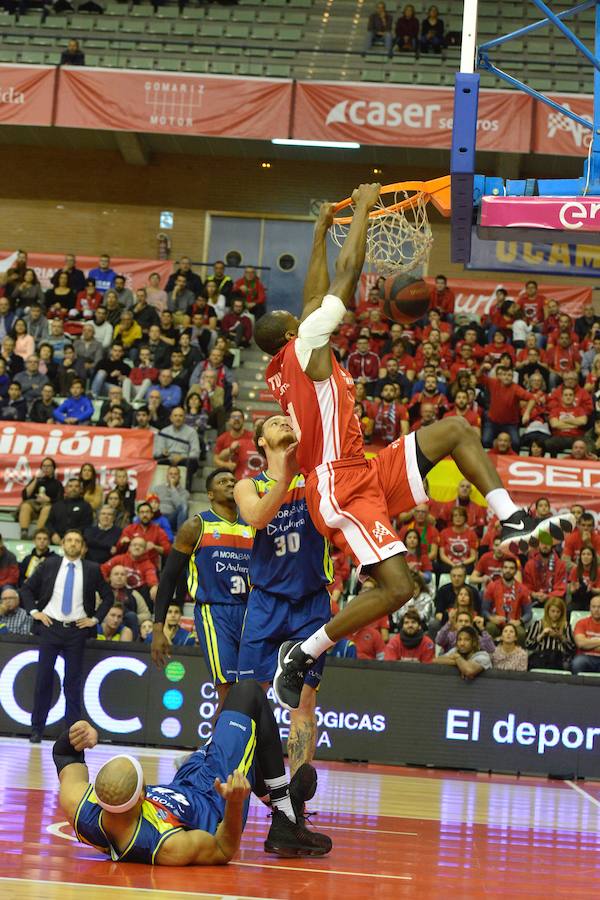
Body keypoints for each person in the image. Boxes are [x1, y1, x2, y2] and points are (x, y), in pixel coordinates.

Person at [254, 187, 572, 710]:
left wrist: (318, 233)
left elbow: (313, 295)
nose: (310, 309)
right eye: (303, 315)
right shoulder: (306, 344)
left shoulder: (294, 357)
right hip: (338, 486)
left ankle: (510, 516)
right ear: (294, 330)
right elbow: (345, 277)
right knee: (399, 588)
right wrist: (361, 208)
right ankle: (304, 653)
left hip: (365, 469)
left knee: (452, 429)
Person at [54, 683, 331, 865]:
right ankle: (285, 815)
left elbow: (65, 755)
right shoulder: (165, 845)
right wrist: (234, 803)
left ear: (96, 794)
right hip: (217, 800)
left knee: (245, 729)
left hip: (186, 781)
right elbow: (223, 849)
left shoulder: (81, 807)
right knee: (247, 694)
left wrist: (75, 735)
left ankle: (283, 803)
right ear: (141, 796)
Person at [234, 414, 332, 775]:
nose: (285, 423)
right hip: (266, 602)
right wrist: (287, 474)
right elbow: (258, 518)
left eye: (288, 420)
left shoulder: (317, 479)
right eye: (275, 422)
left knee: (304, 702)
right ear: (261, 441)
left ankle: (297, 800)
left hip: (311, 602)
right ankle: (239, 785)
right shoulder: (248, 486)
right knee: (248, 697)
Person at [151, 469, 253, 708]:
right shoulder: (196, 526)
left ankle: (238, 744)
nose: (230, 483)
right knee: (227, 691)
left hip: (250, 612)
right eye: (222, 481)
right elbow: (168, 578)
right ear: (209, 493)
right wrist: (158, 628)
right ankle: (221, 746)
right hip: (214, 613)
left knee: (250, 691)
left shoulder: (253, 526)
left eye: (233, 480)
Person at [20, 529, 114, 742]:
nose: (73, 544)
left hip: (76, 630)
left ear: (83, 547)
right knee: (43, 679)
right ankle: (37, 729)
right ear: (62, 543)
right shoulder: (50, 565)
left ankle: (71, 734)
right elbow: (26, 589)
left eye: (77, 541)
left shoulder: (92, 569)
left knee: (72, 683)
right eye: (69, 540)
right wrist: (35, 613)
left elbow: (108, 596)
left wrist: (95, 619)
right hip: (51, 627)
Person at [482, 557, 532, 643]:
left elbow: (528, 613)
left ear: (516, 571)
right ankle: (488, 654)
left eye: (511, 568)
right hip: (496, 623)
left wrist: (519, 621)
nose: (508, 570)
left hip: (514, 623)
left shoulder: (523, 589)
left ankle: (519, 656)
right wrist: (491, 618)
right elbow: (484, 610)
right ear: (501, 569)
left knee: (520, 633)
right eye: (505, 567)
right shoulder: (492, 586)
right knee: (490, 628)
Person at [154, 406, 201, 491]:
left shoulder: (191, 432)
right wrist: (162, 452)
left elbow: (196, 452)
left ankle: (186, 492)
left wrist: (182, 457)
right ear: (171, 418)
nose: (178, 418)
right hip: (168, 458)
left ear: (184, 418)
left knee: (191, 462)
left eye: (180, 416)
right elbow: (156, 452)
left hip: (185, 459)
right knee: (156, 461)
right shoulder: (164, 432)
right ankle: (158, 491)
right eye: (175, 416)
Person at [101, 536, 159, 602]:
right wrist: (107, 580)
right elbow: (102, 569)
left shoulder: (148, 565)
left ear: (145, 550)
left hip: (136, 595)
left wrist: (154, 586)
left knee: (149, 589)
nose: (137, 547)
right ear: (129, 548)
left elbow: (152, 578)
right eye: (134, 545)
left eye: (141, 546)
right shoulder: (119, 559)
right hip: (116, 590)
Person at [118, 501, 171, 571]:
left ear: (152, 514)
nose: (145, 515)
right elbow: (118, 548)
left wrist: (155, 547)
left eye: (147, 512)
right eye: (142, 512)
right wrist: (122, 542)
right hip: (130, 566)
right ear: (138, 515)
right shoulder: (129, 529)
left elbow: (168, 550)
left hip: (150, 567)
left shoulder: (158, 530)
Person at [18, 457, 64, 538]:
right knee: (25, 506)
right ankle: (24, 533)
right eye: (44, 466)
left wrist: (48, 499)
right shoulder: (36, 481)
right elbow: (25, 496)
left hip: (47, 507)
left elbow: (60, 501)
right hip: (34, 506)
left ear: (53, 469)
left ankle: (36, 534)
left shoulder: (57, 483)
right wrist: (36, 479)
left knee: (47, 509)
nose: (46, 468)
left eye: (49, 466)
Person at [526, 596, 575, 671]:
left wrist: (561, 637)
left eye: (558, 612)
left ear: (562, 613)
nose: (555, 614)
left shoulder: (566, 626)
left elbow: (572, 648)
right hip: (541, 655)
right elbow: (528, 645)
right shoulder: (538, 624)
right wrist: (541, 635)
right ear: (547, 611)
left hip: (560, 657)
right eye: (553, 611)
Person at [46, 477, 94, 545]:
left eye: (76, 486)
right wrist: (53, 534)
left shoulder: (86, 506)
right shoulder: (57, 505)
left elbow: (86, 525)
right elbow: (48, 523)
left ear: (81, 490)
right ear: (66, 489)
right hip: (56, 540)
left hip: (75, 541)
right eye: (70, 486)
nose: (73, 489)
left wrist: (70, 536)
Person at [155, 465, 190, 534]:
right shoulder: (157, 488)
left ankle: (180, 536)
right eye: (170, 474)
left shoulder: (184, 493)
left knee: (184, 506)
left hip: (171, 518)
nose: (173, 476)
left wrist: (172, 487)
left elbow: (180, 506)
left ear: (179, 477)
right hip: (159, 516)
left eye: (175, 474)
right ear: (167, 476)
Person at [572, 595, 600, 674]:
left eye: (599, 607)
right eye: (594, 607)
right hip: (585, 657)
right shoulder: (581, 623)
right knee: (577, 663)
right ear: (590, 608)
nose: (596, 610)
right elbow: (581, 643)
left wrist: (589, 643)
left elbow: (585, 644)